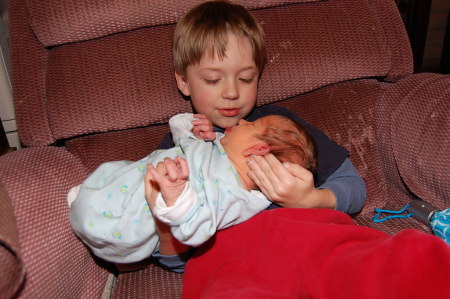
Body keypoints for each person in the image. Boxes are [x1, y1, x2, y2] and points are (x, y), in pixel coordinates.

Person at [151, 0, 366, 271]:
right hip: (236, 267)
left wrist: (313, 200)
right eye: (213, 80)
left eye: (245, 79)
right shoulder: (178, 147)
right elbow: (173, 258)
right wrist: (169, 224)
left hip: (305, 251)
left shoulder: (277, 126)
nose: (231, 93)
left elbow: (354, 186)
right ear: (184, 81)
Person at [68, 112, 318, 265]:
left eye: (251, 125)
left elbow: (197, 227)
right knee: (117, 171)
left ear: (257, 149)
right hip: (129, 180)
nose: (242, 120)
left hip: (135, 216)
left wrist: (179, 200)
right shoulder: (218, 145)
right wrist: (194, 129)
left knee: (127, 215)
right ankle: (91, 202)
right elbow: (181, 134)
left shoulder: (234, 196)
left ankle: (99, 223)